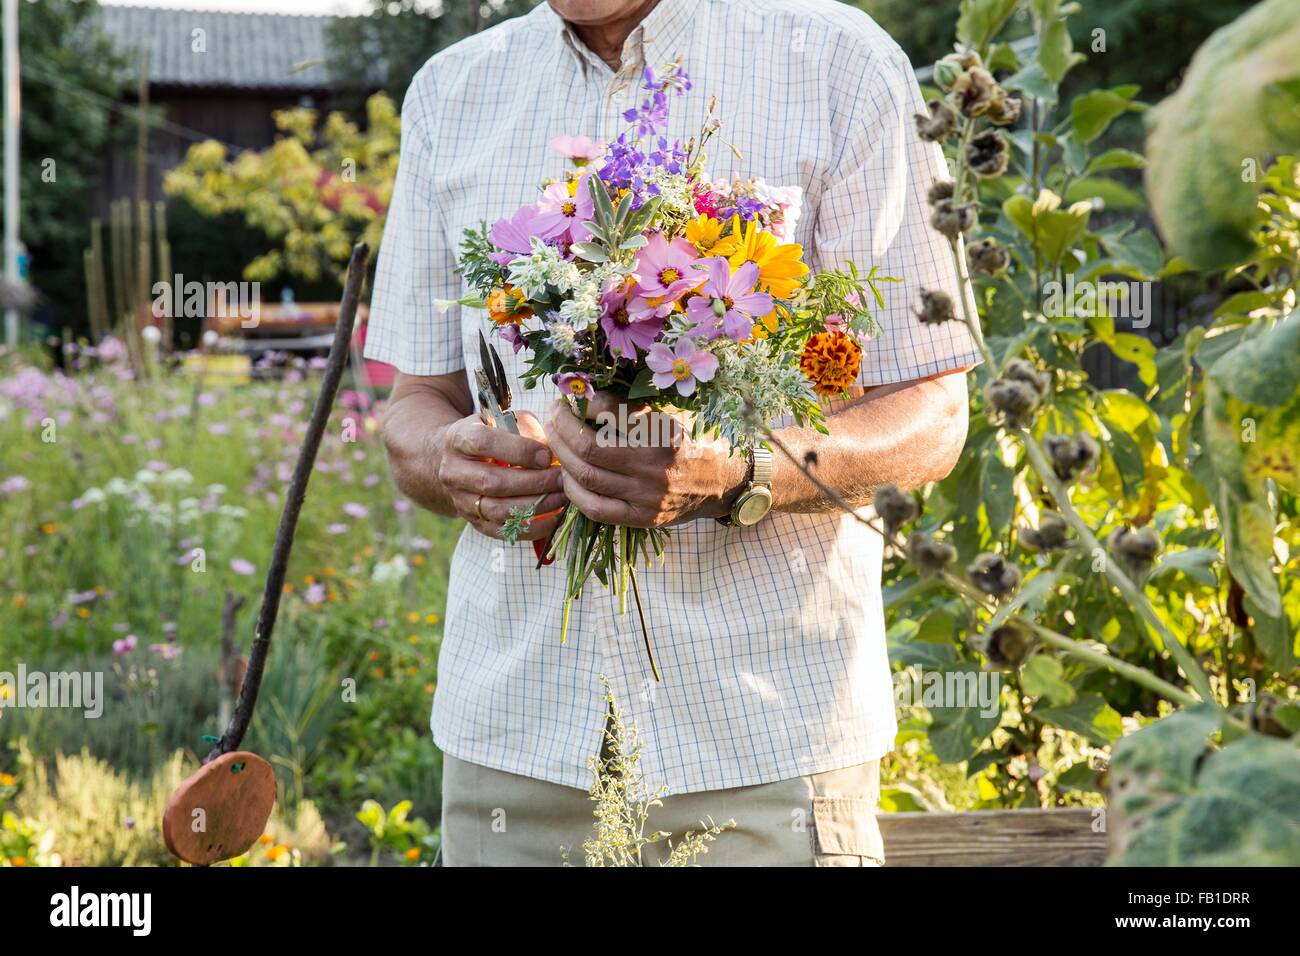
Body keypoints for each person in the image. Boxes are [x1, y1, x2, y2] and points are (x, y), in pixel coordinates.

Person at [366, 0, 978, 866]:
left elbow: (933, 415)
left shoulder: (840, 61)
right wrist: (450, 460)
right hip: (516, 750)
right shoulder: (451, 91)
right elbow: (414, 404)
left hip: (762, 750)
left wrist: (740, 470)